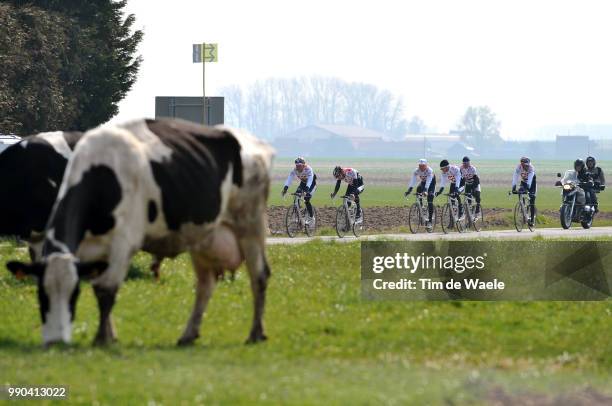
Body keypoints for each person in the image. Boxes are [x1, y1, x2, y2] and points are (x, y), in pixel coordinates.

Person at [282, 157, 317, 223]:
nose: (298, 167)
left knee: (306, 199)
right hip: (303, 184)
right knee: (296, 196)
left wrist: (307, 190)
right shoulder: (294, 170)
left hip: (311, 185)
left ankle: (311, 217)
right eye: (296, 165)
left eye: (299, 166)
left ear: (303, 165)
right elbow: (289, 179)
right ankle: (298, 214)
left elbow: (310, 180)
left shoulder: (308, 169)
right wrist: (285, 188)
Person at [405, 158, 436, 227]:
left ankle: (430, 221)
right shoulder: (416, 171)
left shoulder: (429, 170)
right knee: (418, 190)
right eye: (420, 166)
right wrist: (409, 190)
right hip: (423, 182)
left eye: (423, 166)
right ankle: (421, 207)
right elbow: (413, 180)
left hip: (431, 184)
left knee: (430, 199)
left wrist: (425, 190)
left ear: (426, 165)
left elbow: (428, 181)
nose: (421, 167)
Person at [512, 156, 536, 226]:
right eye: (523, 165)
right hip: (523, 182)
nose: (525, 167)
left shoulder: (531, 168)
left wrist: (528, 187)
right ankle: (523, 206)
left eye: (526, 165)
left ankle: (532, 220)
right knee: (520, 191)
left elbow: (531, 178)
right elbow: (515, 176)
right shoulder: (518, 167)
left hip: (532, 183)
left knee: (532, 199)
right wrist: (513, 186)